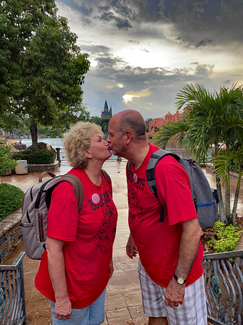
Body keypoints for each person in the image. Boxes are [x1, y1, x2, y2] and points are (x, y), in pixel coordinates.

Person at [107, 110, 207, 325]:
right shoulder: (131, 165)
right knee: (156, 318)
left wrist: (178, 282)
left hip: (176, 272)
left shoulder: (165, 170)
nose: (107, 140)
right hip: (150, 266)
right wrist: (134, 235)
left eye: (110, 134)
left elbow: (193, 229)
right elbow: (140, 204)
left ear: (127, 137)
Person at [35, 122, 118, 325]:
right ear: (86, 152)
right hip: (72, 287)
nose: (107, 141)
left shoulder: (105, 179)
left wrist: (108, 261)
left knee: (96, 320)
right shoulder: (69, 189)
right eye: (99, 139)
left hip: (95, 279)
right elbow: (53, 249)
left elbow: (105, 225)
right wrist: (62, 299)